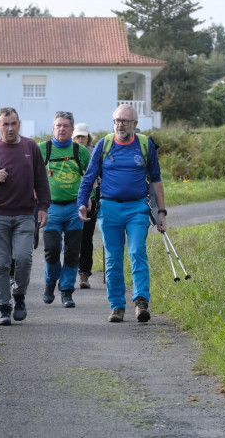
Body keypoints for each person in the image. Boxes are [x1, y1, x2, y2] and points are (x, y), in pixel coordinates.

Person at [77, 104, 167, 323]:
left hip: (137, 207)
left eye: (125, 121)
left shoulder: (145, 145)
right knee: (113, 259)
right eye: (117, 120)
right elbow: (89, 176)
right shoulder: (104, 144)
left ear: (135, 124)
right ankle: (117, 305)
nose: (120, 125)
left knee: (137, 252)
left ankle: (141, 301)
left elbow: (156, 180)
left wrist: (161, 213)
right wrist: (82, 202)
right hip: (109, 209)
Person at [0, 107, 50, 325]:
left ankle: (19, 296)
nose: (10, 128)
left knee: (24, 258)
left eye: (14, 123)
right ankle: (3, 307)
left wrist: (43, 207)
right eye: (5, 124)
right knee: (2, 263)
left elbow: (41, 180)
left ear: (19, 124)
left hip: (25, 214)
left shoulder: (30, 146)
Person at [39, 111, 90, 307]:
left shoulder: (80, 151)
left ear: (72, 129)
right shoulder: (42, 149)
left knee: (72, 252)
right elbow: (31, 176)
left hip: (74, 209)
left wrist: (90, 199)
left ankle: (67, 291)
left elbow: (91, 177)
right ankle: (50, 282)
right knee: (51, 250)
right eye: (58, 125)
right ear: (53, 128)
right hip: (51, 208)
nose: (61, 129)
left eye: (65, 126)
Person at [72, 122, 97, 289]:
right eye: (77, 136)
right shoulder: (68, 151)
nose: (80, 139)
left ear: (88, 137)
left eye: (83, 136)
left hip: (92, 198)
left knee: (86, 237)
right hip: (70, 199)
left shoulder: (95, 152)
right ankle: (68, 272)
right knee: (71, 238)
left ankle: (84, 273)